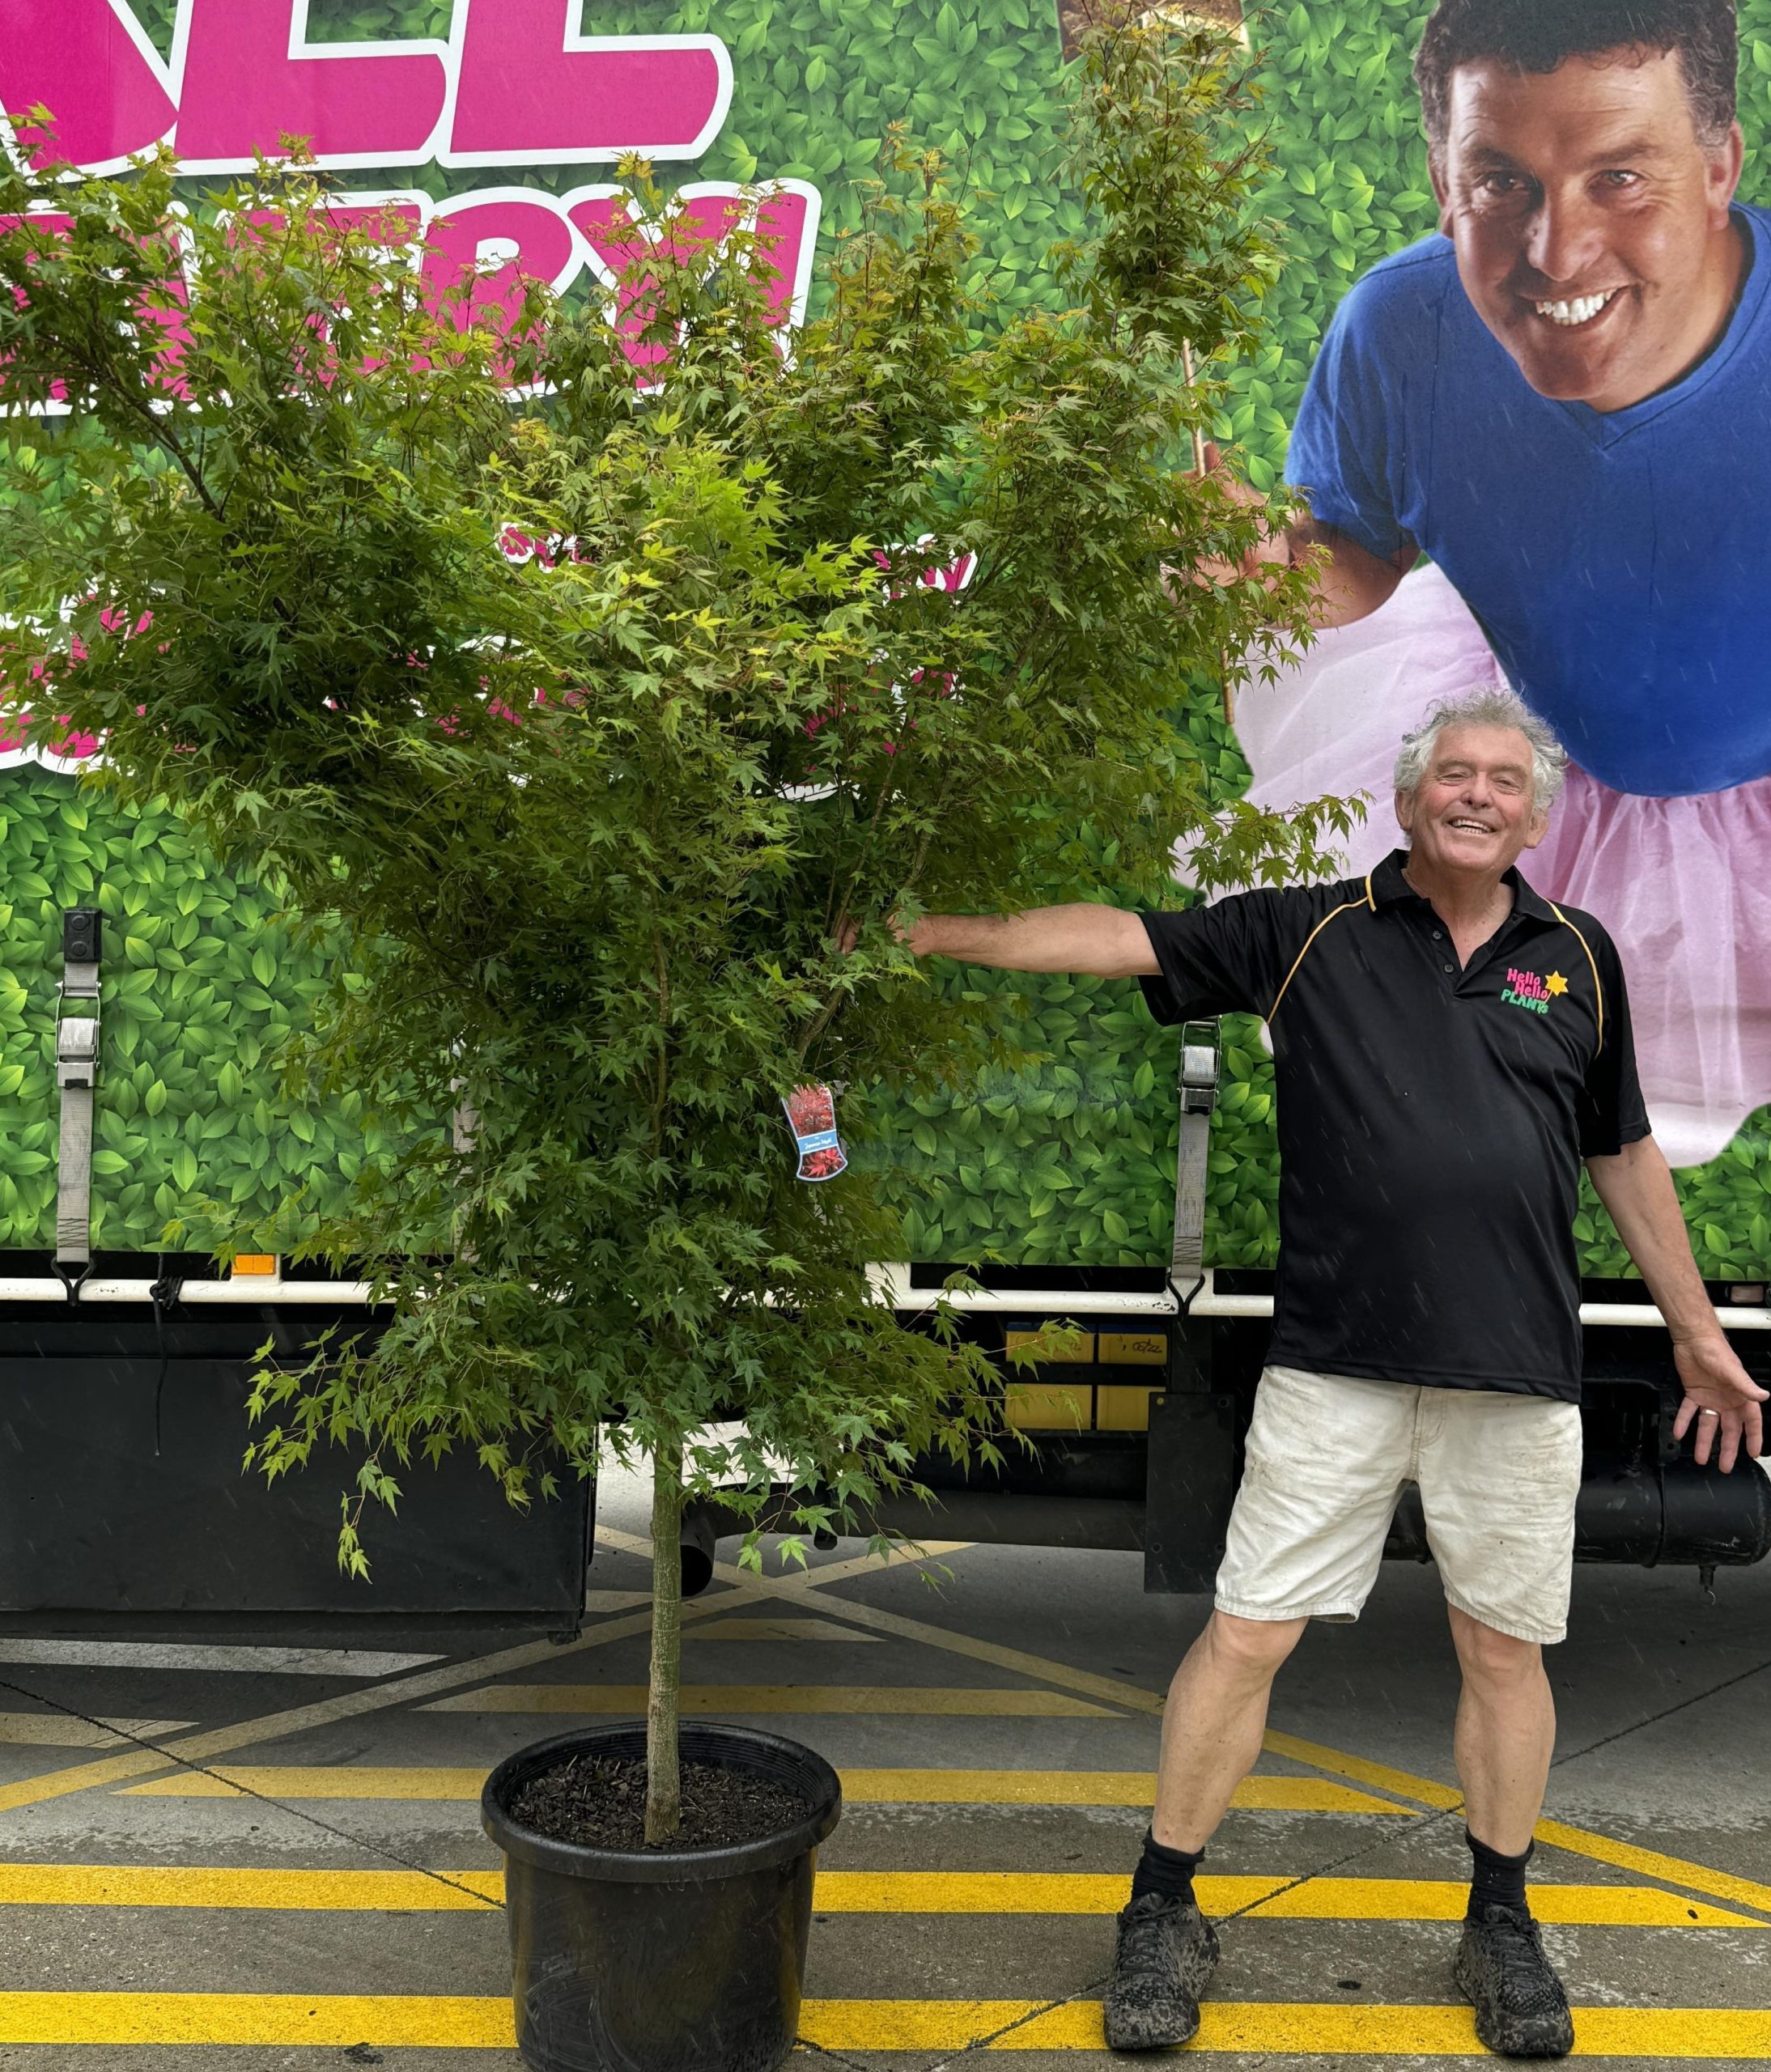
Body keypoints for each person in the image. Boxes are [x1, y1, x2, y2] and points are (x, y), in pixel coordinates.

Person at [883, 690, 1767, 2058]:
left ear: (1536, 816)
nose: (1477, 795)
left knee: (1504, 1650)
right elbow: (1124, 937)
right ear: (1409, 800)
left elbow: (1624, 1153)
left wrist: (1698, 1335)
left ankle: (1501, 1922)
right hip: (1334, 1368)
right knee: (1247, 1634)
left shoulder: (1577, 956)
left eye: (1505, 781)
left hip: (1517, 1376)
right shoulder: (1309, 931)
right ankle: (1163, 1905)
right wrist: (941, 932)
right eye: (1453, 774)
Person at [1229, 0, 1771, 1170]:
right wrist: (1267, 572)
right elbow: (1355, 551)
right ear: (1443, 183)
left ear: (1721, 166)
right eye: (1502, 183)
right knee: (1519, 1070)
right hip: (1550, 753)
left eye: (1620, 178)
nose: (1556, 253)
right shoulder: (1399, 330)